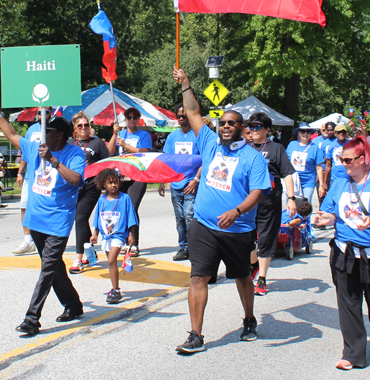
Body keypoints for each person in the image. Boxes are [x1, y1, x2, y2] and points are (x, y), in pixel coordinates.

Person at [173, 67, 271, 354]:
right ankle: (196, 335)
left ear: (241, 128)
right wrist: (186, 85)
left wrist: (237, 212)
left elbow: (258, 192)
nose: (226, 126)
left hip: (237, 229)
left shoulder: (253, 158)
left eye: (232, 123)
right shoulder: (209, 142)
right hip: (203, 226)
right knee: (197, 277)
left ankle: (249, 319)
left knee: (241, 277)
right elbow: (192, 113)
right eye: (223, 122)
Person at [0, 88, 85, 336]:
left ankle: (32, 319)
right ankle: (73, 305)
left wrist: (53, 160)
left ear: (61, 136)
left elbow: (75, 179)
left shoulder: (74, 153)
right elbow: (11, 134)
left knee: (47, 270)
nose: (43, 135)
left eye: (49, 132)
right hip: (35, 220)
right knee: (53, 268)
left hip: (57, 222)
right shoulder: (35, 148)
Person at [315, 136, 370, 370]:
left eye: (349, 160)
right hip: (344, 251)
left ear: (363, 159)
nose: (344, 164)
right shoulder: (340, 182)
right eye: (342, 160)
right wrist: (324, 218)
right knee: (348, 303)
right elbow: (331, 212)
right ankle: (352, 354)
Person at [248, 112, 296, 296]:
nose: (253, 130)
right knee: (247, 239)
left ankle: (262, 278)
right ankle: (253, 265)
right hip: (249, 202)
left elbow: (287, 174)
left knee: (266, 238)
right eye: (251, 127)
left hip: (270, 201)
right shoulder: (246, 148)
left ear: (267, 130)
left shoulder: (276, 149)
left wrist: (291, 199)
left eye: (258, 127)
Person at [68, 111, 111, 274]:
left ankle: (78, 258)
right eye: (80, 126)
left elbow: (107, 162)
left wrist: (107, 185)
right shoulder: (70, 143)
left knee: (80, 217)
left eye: (86, 125)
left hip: (91, 186)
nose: (84, 128)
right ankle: (89, 250)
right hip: (73, 186)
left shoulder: (97, 143)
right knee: (80, 219)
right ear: (75, 128)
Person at [158, 104, 202, 261]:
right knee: (179, 218)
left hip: (191, 183)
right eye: (179, 116)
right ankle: (183, 248)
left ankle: (195, 248)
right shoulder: (172, 137)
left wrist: (196, 180)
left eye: (184, 116)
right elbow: (166, 160)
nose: (182, 119)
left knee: (189, 215)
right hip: (176, 184)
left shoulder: (197, 135)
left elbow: (205, 160)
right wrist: (163, 181)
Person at [108, 107, 152, 257]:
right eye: (129, 117)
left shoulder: (144, 134)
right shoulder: (120, 134)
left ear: (138, 119)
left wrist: (126, 146)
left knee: (132, 207)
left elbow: (146, 152)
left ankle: (134, 243)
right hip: (121, 176)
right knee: (121, 208)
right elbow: (110, 151)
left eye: (134, 117)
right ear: (125, 119)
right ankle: (122, 240)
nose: (131, 120)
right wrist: (114, 134)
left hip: (137, 176)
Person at [90, 168, 138, 304]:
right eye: (110, 183)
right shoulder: (102, 200)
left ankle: (116, 289)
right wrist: (95, 234)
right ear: (103, 184)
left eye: (116, 182)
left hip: (119, 236)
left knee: (111, 260)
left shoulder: (124, 198)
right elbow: (98, 219)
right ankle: (114, 288)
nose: (114, 185)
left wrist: (131, 235)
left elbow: (130, 217)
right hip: (106, 236)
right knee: (111, 265)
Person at [13, 107, 53, 255]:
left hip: (47, 177)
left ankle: (45, 238)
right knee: (24, 206)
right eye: (39, 112)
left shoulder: (55, 129)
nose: (42, 114)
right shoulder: (32, 130)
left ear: (51, 113)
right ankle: (28, 240)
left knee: (44, 208)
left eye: (46, 111)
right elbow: (26, 153)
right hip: (31, 176)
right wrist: (20, 173)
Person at [286, 122, 325, 203]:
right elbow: (285, 161)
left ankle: (306, 216)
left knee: (305, 205)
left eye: (308, 131)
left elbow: (319, 168)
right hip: (293, 180)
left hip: (308, 181)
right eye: (303, 131)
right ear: (299, 133)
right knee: (291, 204)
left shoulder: (314, 147)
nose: (305, 133)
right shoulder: (292, 145)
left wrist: (321, 185)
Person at [323, 124, 349, 194]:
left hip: (349, 179)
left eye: (343, 132)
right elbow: (328, 165)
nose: (341, 134)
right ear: (335, 133)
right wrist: (325, 183)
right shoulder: (331, 147)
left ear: (346, 133)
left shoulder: (350, 144)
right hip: (334, 179)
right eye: (339, 132)